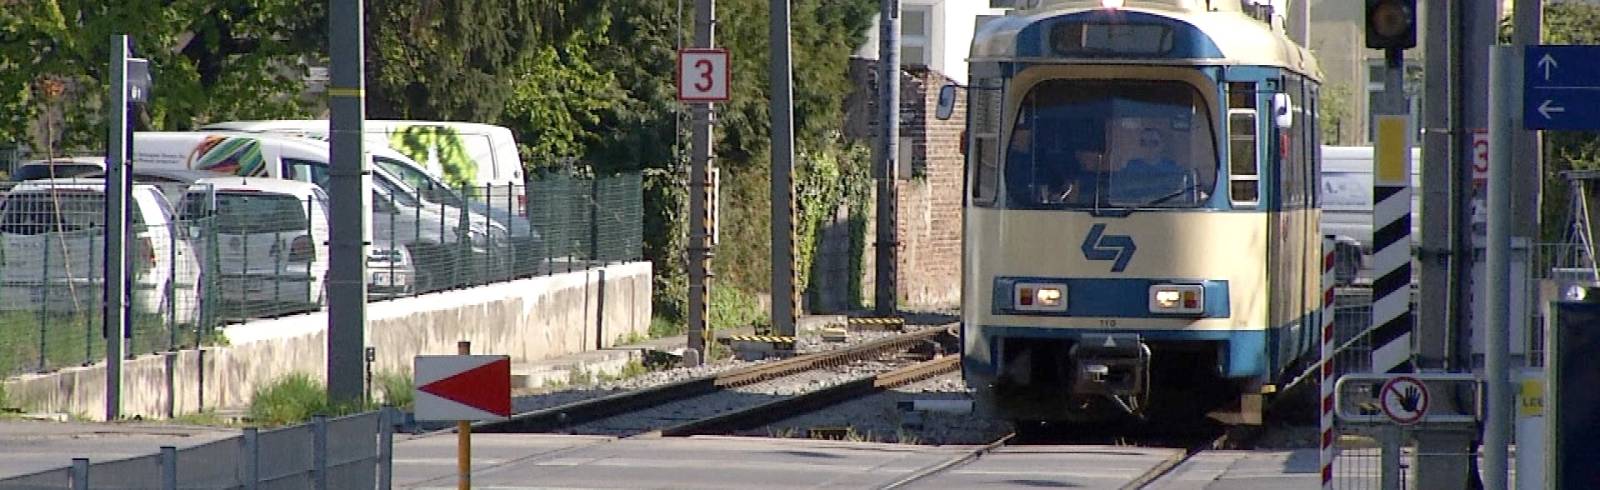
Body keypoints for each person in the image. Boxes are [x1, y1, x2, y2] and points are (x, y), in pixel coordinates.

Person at [1111, 128, 1194, 204]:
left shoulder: (1174, 170)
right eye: (1143, 143)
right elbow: (1118, 196)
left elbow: (1182, 198)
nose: (1148, 147)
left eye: (1154, 143)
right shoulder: (1130, 168)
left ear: (1162, 145)